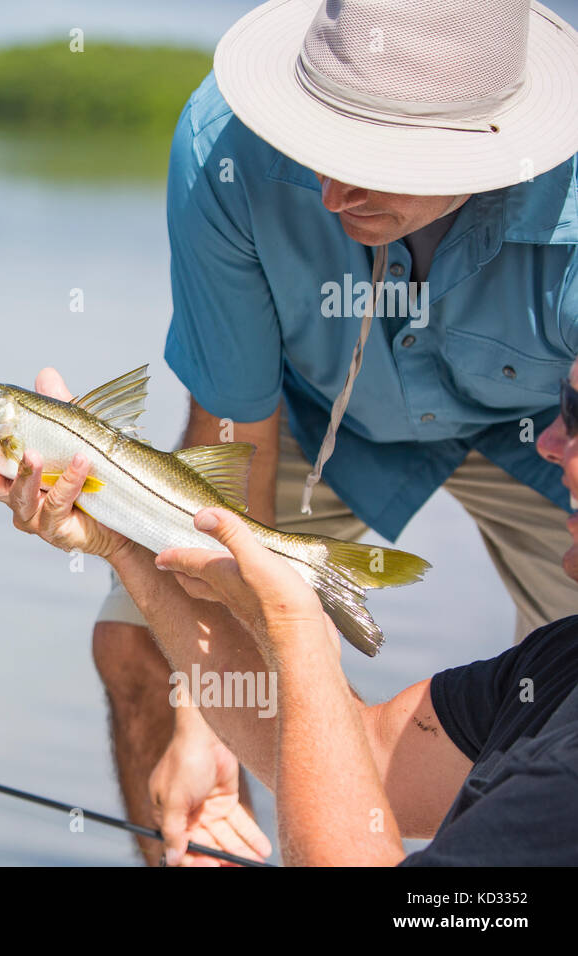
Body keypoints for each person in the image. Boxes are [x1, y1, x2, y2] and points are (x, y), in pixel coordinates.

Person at [90, 0, 578, 862]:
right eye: (319, 140)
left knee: (557, 708)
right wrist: (205, 710)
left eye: (375, 163)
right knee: (142, 645)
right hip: (318, 416)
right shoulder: (225, 150)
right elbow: (234, 433)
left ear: (496, 137)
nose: (329, 193)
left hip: (547, 432)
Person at [0, 358, 578, 864]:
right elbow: (365, 760)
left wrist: (299, 638)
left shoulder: (561, 779)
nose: (546, 442)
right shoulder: (560, 667)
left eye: (575, 413)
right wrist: (120, 541)